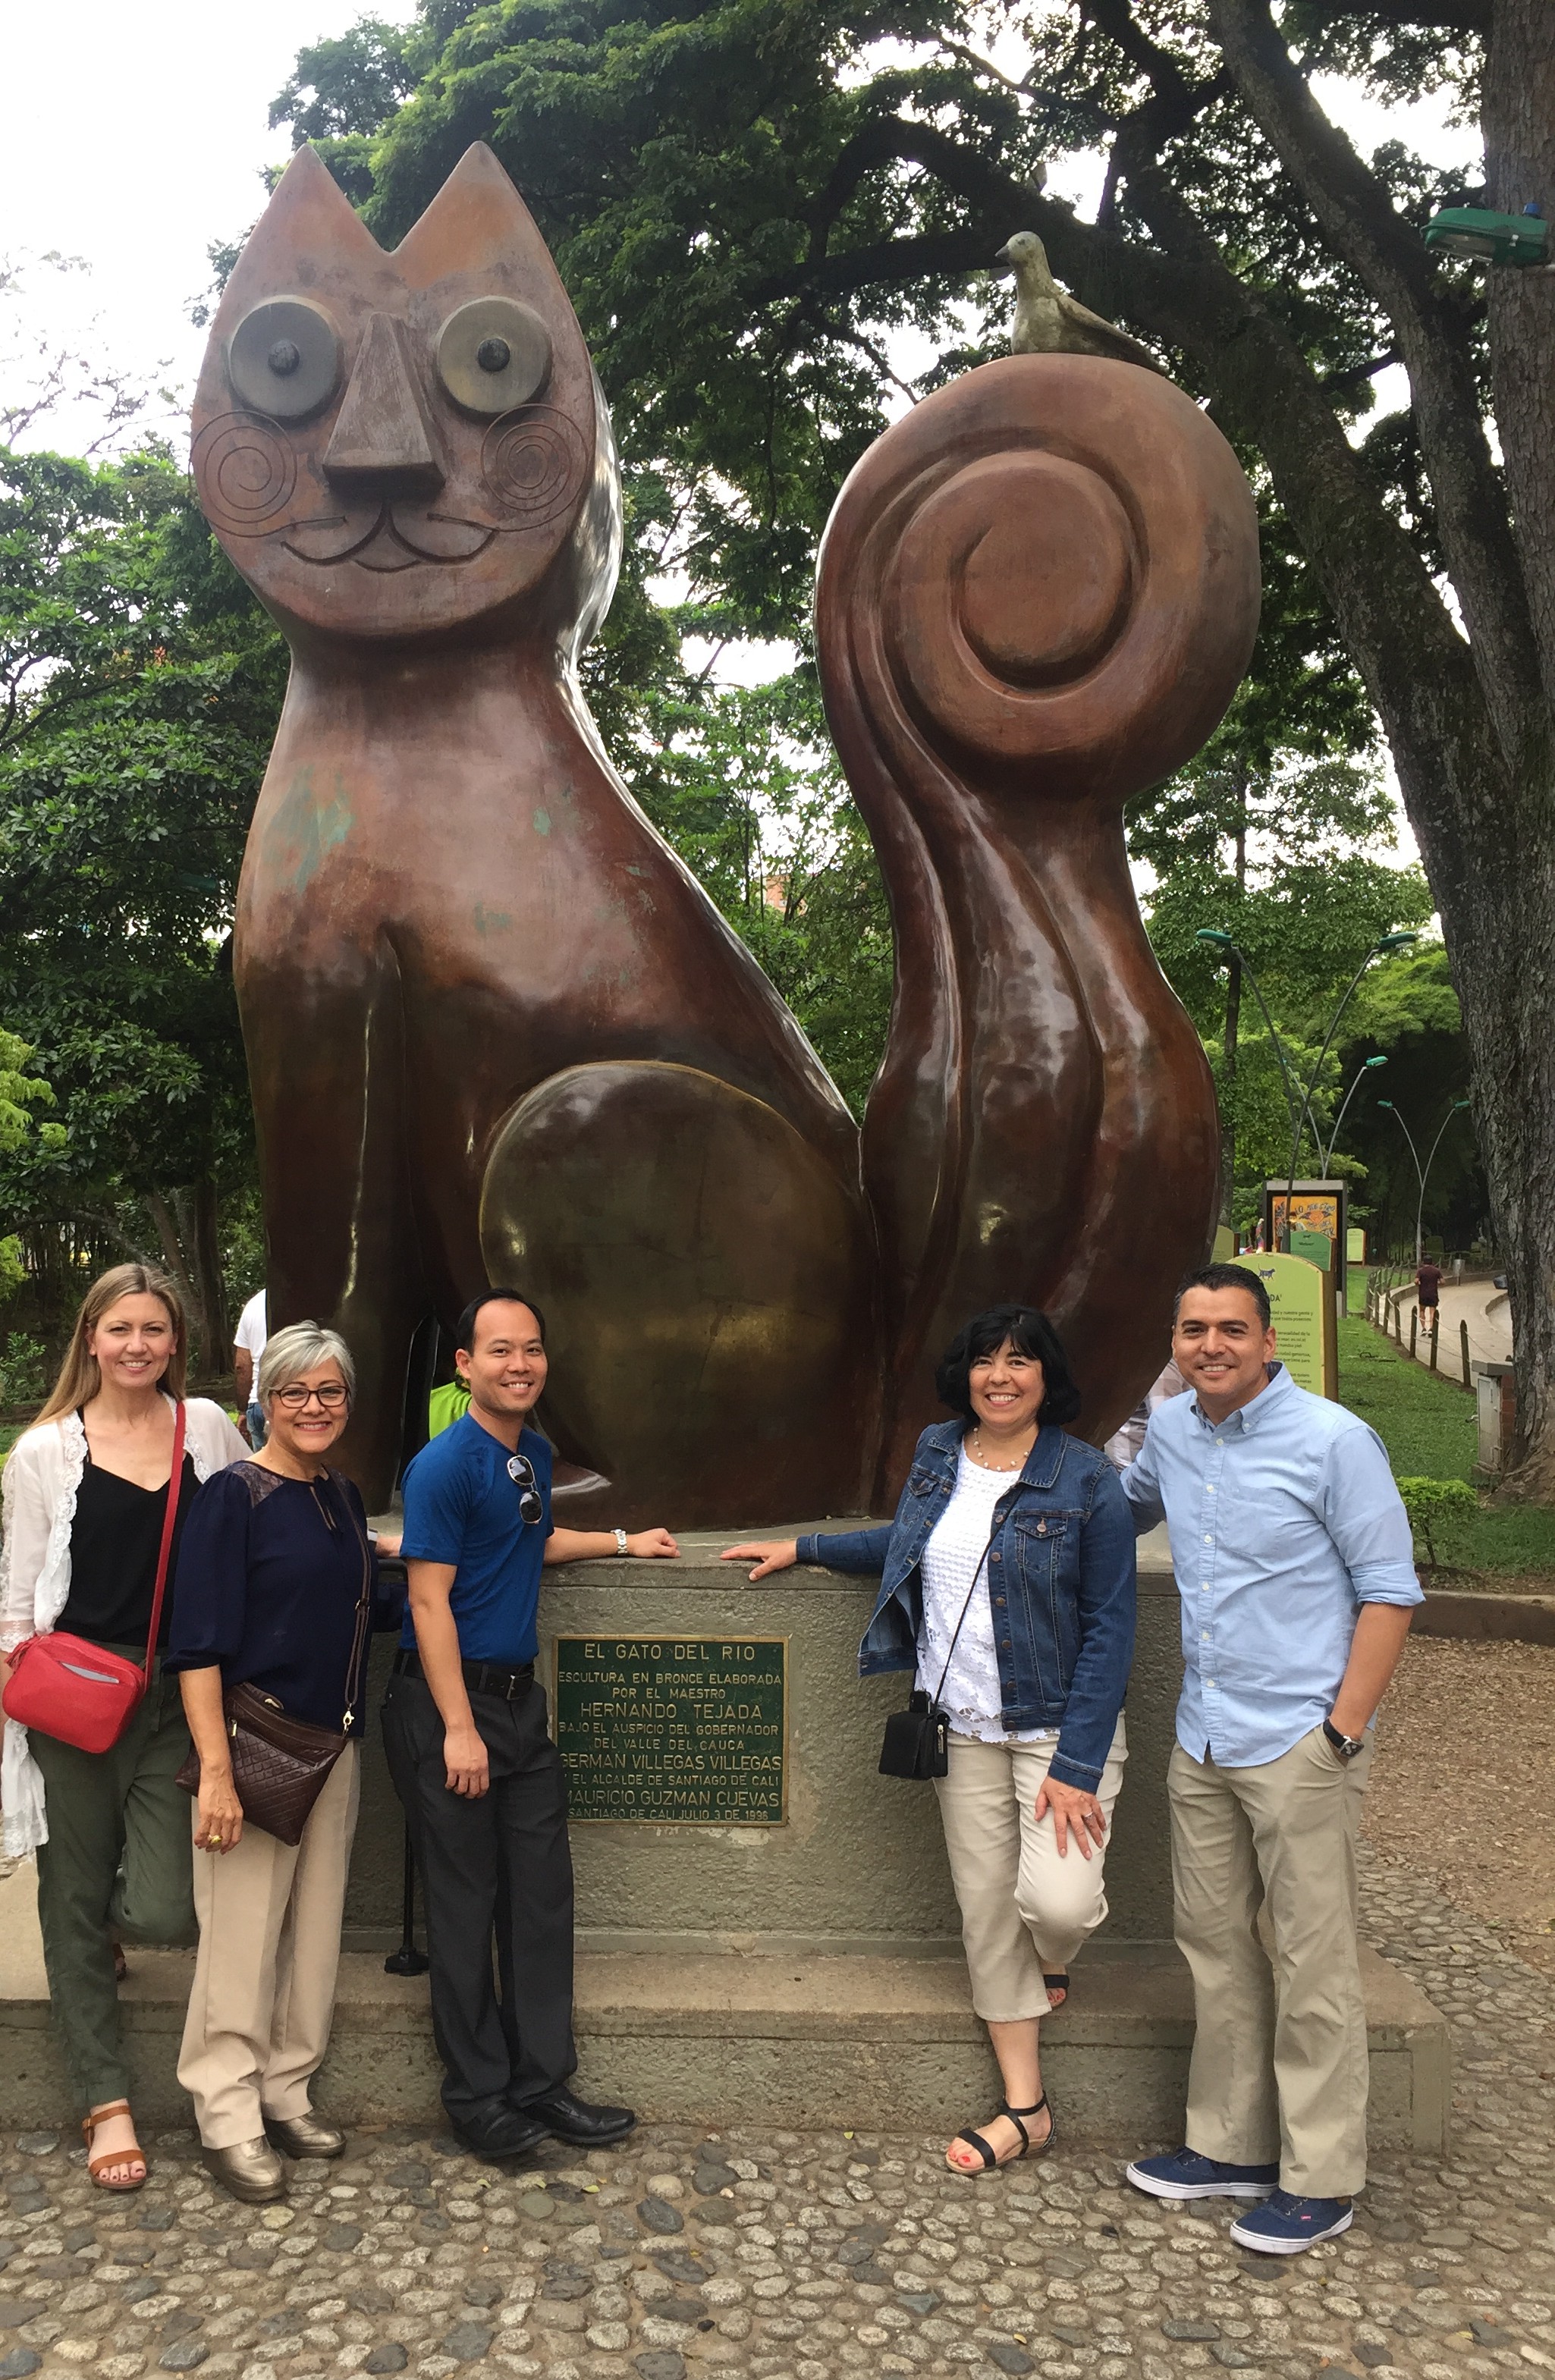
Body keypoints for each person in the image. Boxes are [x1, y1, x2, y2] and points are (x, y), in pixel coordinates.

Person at [725, 1304, 1136, 2174]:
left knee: (1054, 1907)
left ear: (1044, 1376)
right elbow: (909, 1543)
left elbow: (1110, 1627)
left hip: (1059, 1728)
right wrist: (803, 1545)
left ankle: (1051, 1960)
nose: (1000, 1375)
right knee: (988, 1917)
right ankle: (1025, 2109)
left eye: (1020, 1361)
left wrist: (1075, 1764)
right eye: (985, 1359)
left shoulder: (1086, 1478)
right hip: (964, 1729)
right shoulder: (938, 1452)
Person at [1119, 1262, 1421, 2254]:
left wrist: (1339, 1728)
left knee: (1308, 1956)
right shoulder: (1167, 1429)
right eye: (1192, 1326)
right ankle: (1229, 2145)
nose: (1210, 1344)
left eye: (1230, 1329)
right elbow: (1115, 1507)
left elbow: (1388, 1592)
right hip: (1203, 1731)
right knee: (1214, 1943)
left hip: (1299, 1736)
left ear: (1267, 1339)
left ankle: (1320, 2175)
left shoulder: (1334, 1440)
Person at [382, 1288, 680, 2162]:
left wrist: (624, 1540)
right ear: (465, 1366)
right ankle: (478, 2097)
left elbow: (529, 1541)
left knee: (542, 1902)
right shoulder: (442, 1466)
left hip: (520, 1704)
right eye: (501, 1350)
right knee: (466, 1907)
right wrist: (456, 1730)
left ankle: (542, 2083)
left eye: (534, 1349)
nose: (521, 1365)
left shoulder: (531, 1455)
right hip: (453, 1708)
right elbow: (428, 1600)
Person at [0, 1264, 247, 2190]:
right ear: (90, 1339)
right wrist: (14, 1706)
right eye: (119, 1330)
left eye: (154, 1330)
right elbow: (16, 1598)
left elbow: (249, 1534)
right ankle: (105, 2103)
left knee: (164, 1910)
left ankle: (98, 1923)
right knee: (68, 1902)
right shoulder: (43, 1453)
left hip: (175, 1701)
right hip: (71, 1698)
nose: (137, 1346)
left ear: (176, 1341)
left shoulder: (210, 1431)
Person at [165, 1322, 402, 2205]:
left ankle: (286, 2089)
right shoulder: (235, 1496)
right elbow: (197, 1648)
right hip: (258, 1746)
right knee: (239, 1939)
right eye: (295, 1391)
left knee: (313, 1935)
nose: (314, 1406)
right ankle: (226, 2115)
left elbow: (357, 1604)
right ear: (264, 1398)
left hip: (333, 1746)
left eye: (330, 1391)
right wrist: (216, 1772)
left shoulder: (340, 1495)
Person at [233, 1289, 268, 1447]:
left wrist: (243, 1409)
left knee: (263, 1468)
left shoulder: (253, 1305)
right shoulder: (309, 1298)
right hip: (297, 1398)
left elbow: (242, 1366)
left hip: (258, 1400)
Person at [1415, 1257, 1442, 1326]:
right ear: (1432, 1262)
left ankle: (1423, 1328)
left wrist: (1418, 1284)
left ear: (1423, 1262)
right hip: (1433, 1294)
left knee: (1422, 1310)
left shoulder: (1420, 1271)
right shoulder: (1436, 1271)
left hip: (1423, 1294)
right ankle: (1431, 1328)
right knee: (1432, 1312)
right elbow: (1443, 1282)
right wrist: (1436, 1283)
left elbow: (1416, 1281)